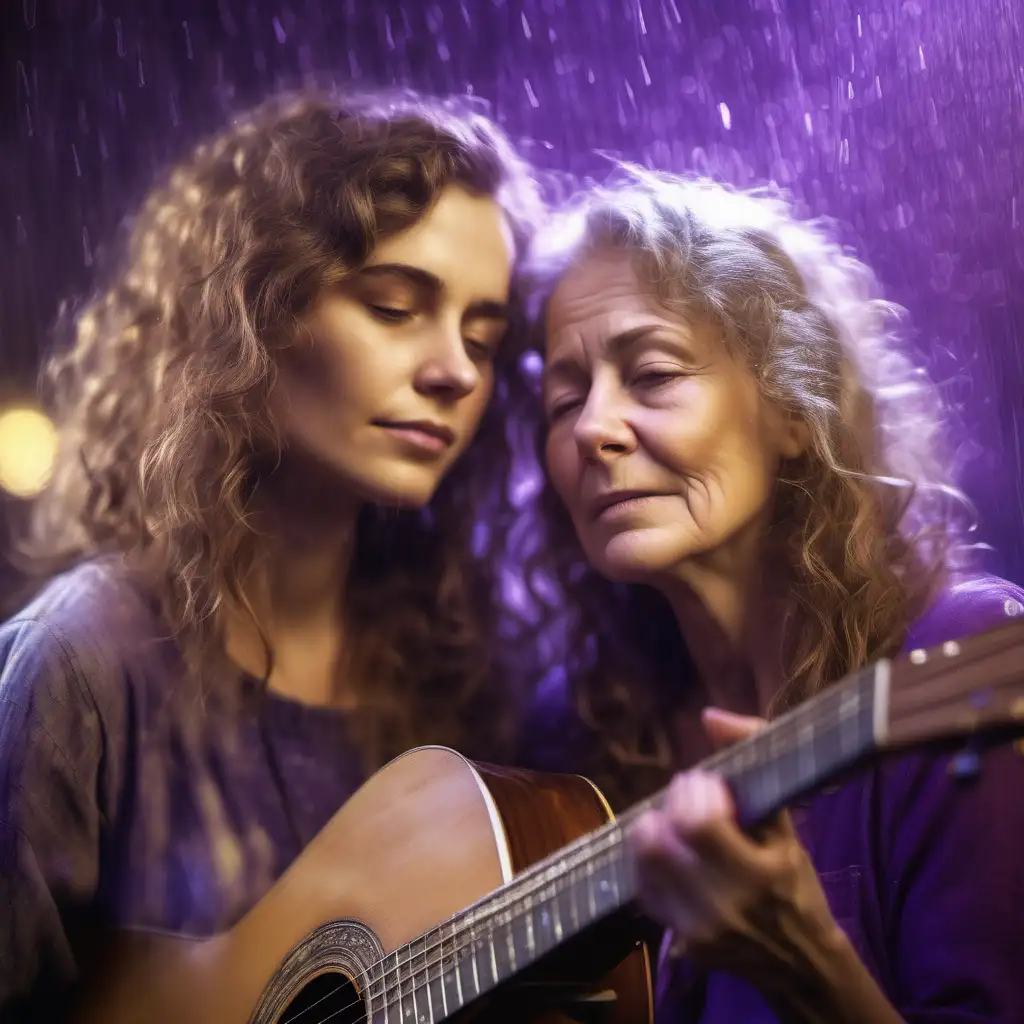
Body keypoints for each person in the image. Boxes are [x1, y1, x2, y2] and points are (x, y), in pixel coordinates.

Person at [0, 88, 542, 1020]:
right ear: (255, 312)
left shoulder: (466, 687)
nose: (455, 368)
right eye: (395, 306)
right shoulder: (82, 664)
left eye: (484, 339)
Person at [514, 169, 1024, 1022]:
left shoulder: (963, 653)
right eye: (565, 400)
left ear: (793, 408)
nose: (591, 429)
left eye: (652, 374)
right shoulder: (573, 732)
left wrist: (808, 966)